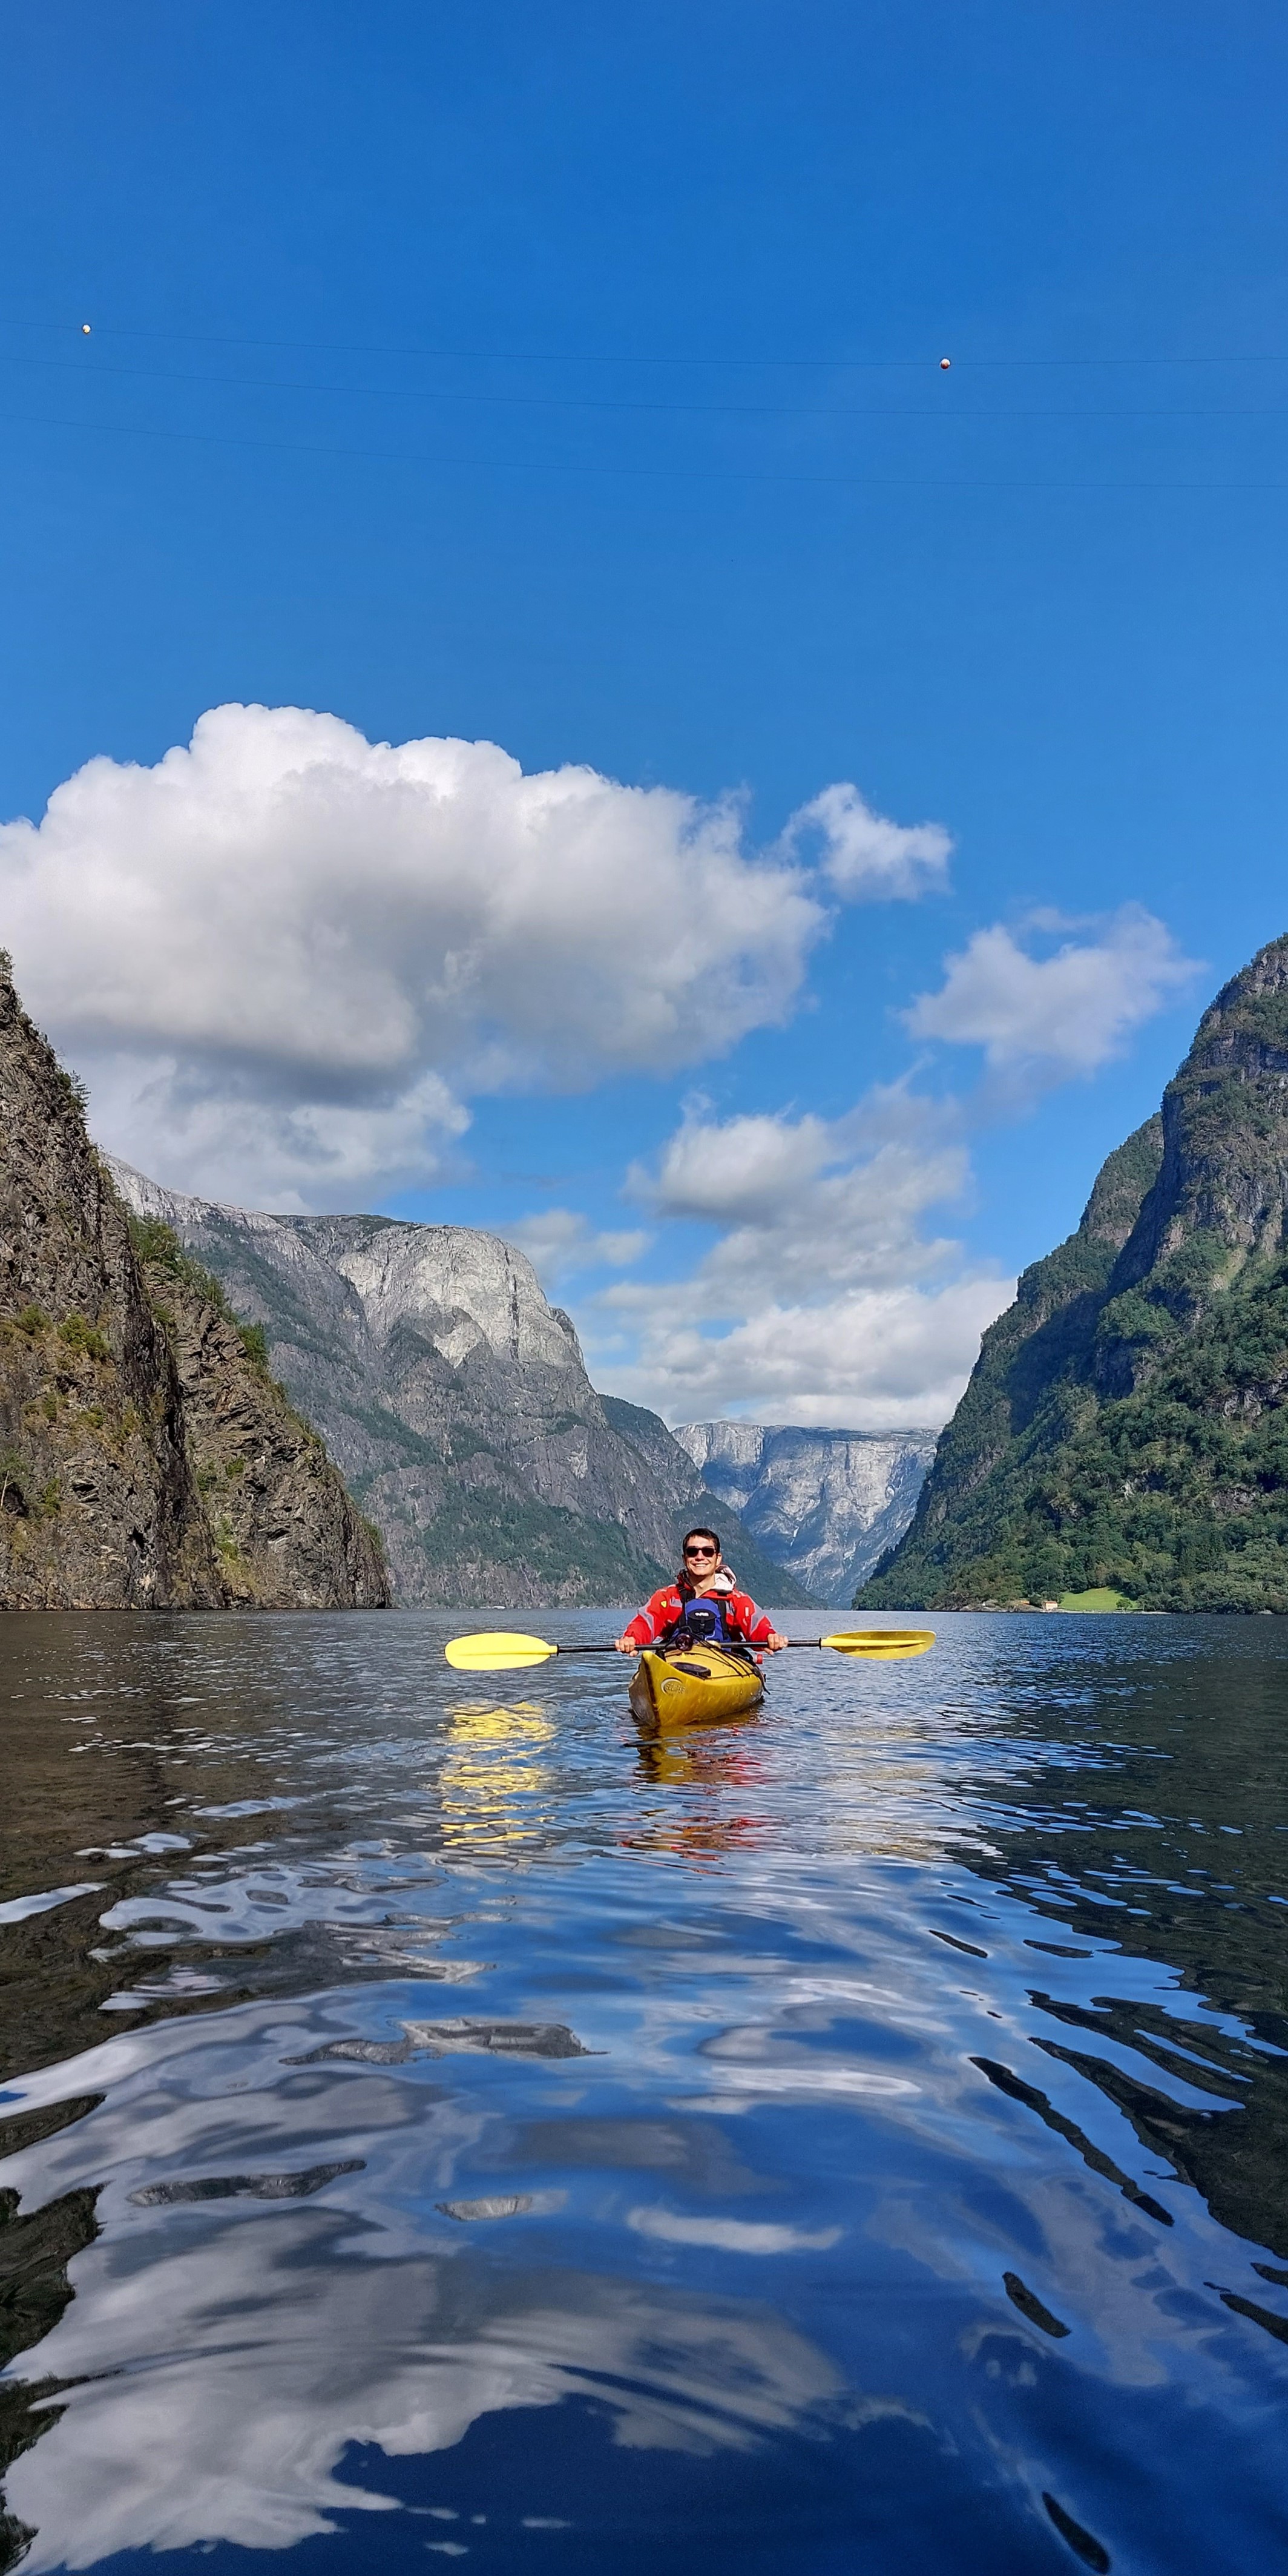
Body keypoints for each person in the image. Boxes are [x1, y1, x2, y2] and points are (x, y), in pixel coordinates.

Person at [615, 1528, 789, 1656]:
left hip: (725, 1664)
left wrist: (769, 1636)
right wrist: (632, 1639)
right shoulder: (667, 1597)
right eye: (693, 1552)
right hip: (677, 1661)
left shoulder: (736, 1600)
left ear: (717, 1558)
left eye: (707, 1551)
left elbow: (757, 1625)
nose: (700, 1557)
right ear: (685, 1559)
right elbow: (646, 1622)